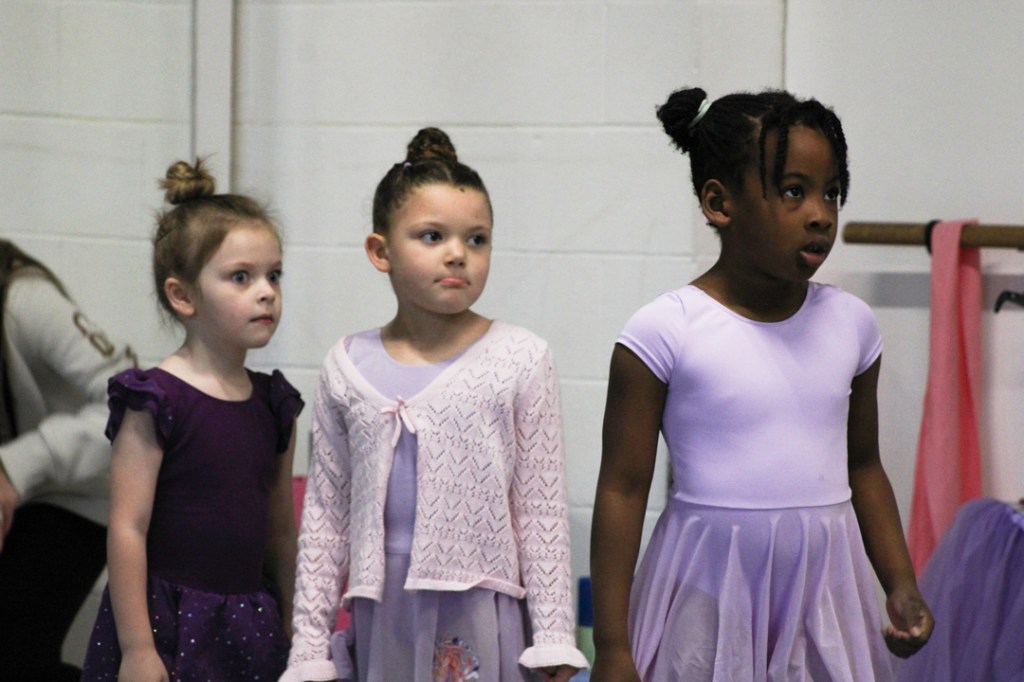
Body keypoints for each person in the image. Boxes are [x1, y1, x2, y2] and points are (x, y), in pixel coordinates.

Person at [589, 87, 935, 682]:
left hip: (822, 593)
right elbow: (622, 490)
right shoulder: (665, 330)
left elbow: (864, 465)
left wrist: (900, 581)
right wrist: (613, 646)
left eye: (832, 192)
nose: (821, 213)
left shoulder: (852, 324)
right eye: (794, 191)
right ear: (719, 203)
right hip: (706, 594)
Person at [282, 127, 588, 682]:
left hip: (480, 609)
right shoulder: (345, 366)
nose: (457, 254)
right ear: (381, 251)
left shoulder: (521, 357)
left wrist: (553, 636)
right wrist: (309, 646)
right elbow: (326, 516)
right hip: (383, 612)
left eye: (477, 239)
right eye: (431, 236)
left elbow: (540, 508)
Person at [80, 159, 304, 681]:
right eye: (241, 277)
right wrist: (137, 647)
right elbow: (128, 527)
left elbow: (280, 531)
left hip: (249, 623)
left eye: (273, 275)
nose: (267, 291)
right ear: (182, 295)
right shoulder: (154, 400)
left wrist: (297, 625)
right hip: (168, 624)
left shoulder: (274, 404)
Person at [0, 240, 136, 681]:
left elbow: (131, 402)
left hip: (83, 493)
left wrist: (16, 466)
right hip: (23, 490)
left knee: (15, 653)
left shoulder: (26, 301)